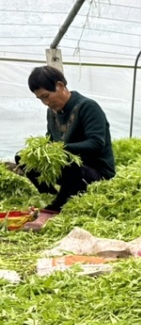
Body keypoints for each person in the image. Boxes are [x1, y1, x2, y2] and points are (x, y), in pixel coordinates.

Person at [14, 65, 115, 231]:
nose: (46, 102)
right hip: (68, 169)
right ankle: (51, 193)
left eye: (47, 96)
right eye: (40, 99)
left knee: (68, 161)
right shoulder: (52, 112)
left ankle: (56, 206)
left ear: (60, 86)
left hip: (95, 171)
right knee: (22, 158)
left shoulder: (88, 107)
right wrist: (42, 149)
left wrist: (59, 148)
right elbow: (50, 138)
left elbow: (96, 144)